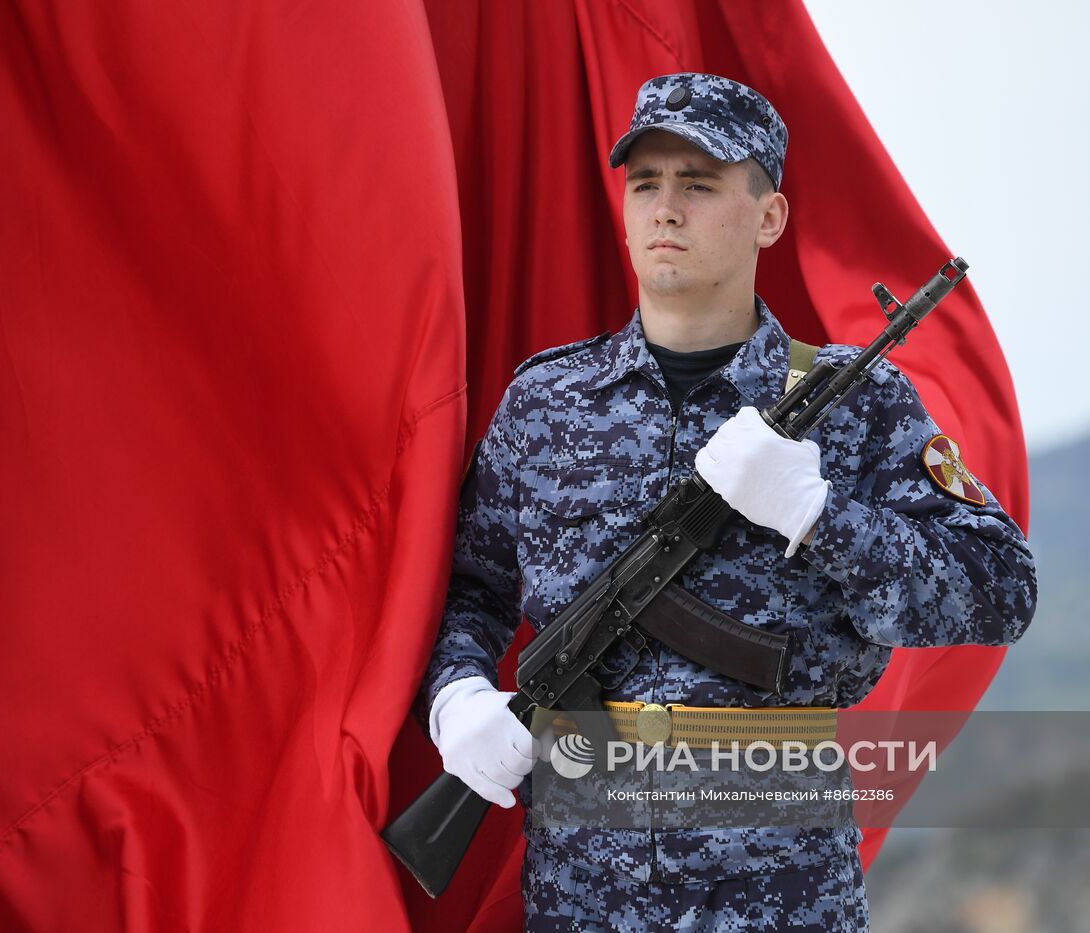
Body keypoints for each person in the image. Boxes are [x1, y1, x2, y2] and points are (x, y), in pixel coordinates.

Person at [414, 73, 1037, 931]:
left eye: (699, 184)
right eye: (646, 184)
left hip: (779, 880)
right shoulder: (547, 404)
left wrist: (823, 514)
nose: (665, 208)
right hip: (587, 882)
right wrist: (457, 696)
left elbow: (1001, 587)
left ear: (769, 217)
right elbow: (467, 590)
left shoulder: (853, 401)